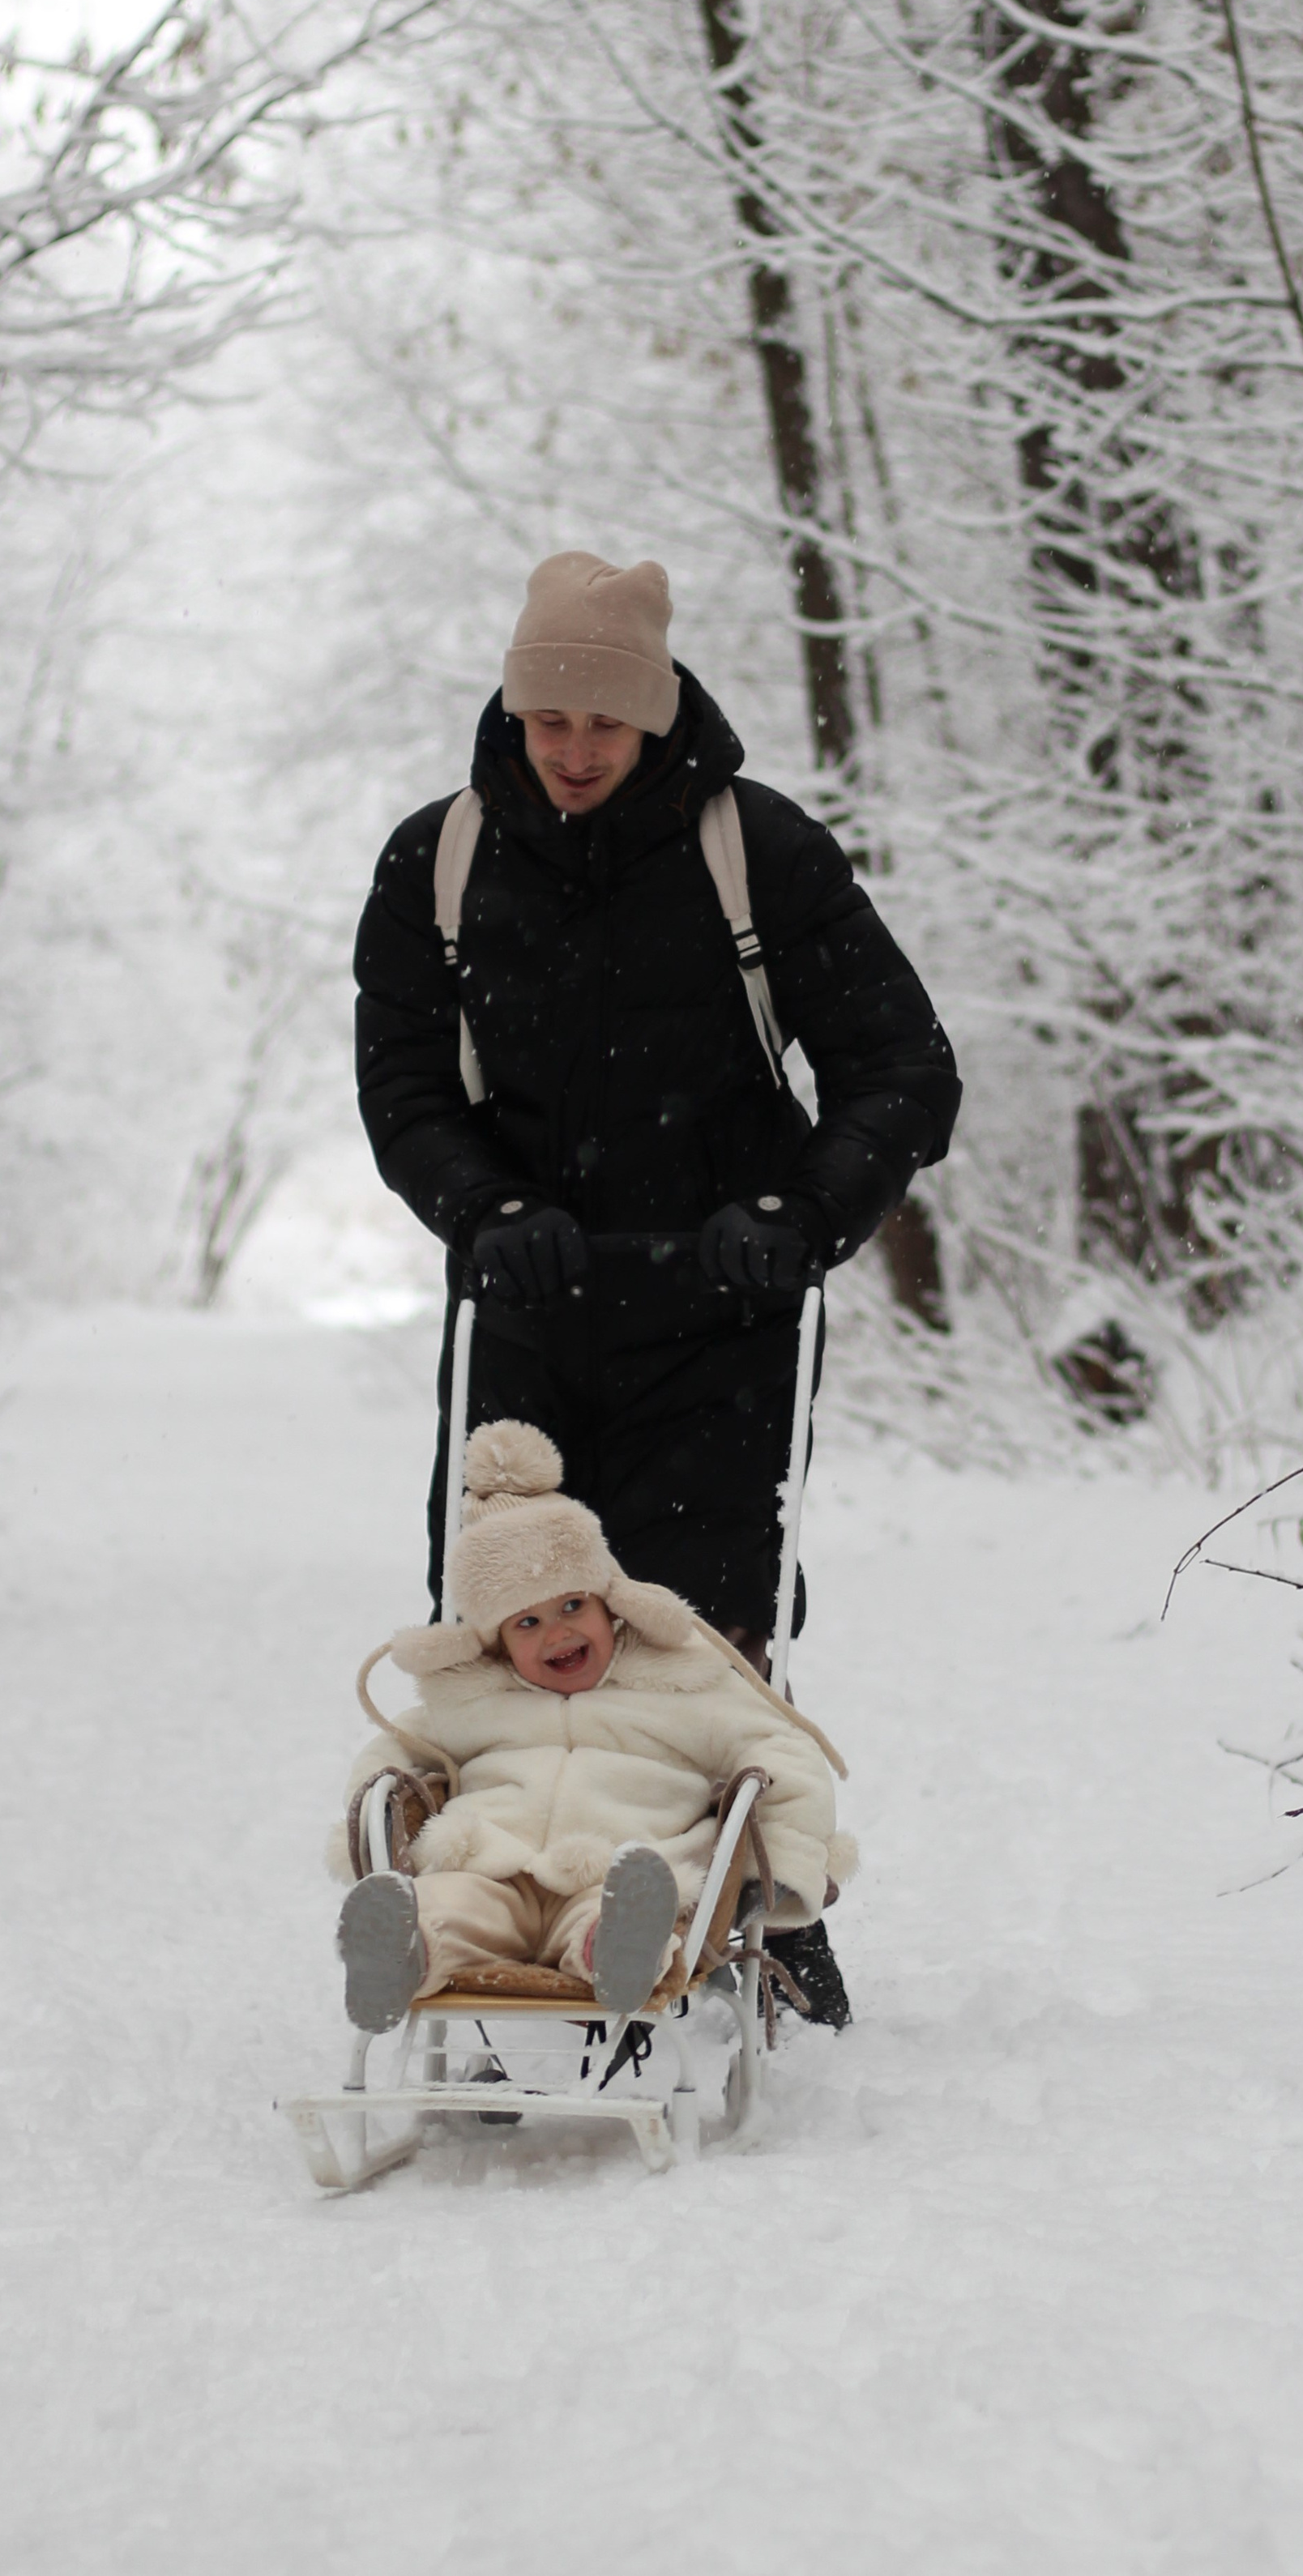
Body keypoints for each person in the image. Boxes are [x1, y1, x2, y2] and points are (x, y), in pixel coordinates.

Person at [354, 549, 959, 2028]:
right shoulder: (436, 858)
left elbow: (902, 1069)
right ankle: (475, 1926)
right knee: (512, 1623)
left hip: (722, 1304)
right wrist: (485, 1208)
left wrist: (798, 1211)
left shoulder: (759, 849)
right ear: (514, 709)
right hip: (528, 1299)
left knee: (699, 1624)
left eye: (603, 727)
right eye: (550, 721)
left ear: (657, 715)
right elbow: (404, 1086)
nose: (573, 752)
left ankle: (741, 1902)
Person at [335, 1421, 852, 2033]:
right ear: (495, 1643)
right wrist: (370, 1823)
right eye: (525, 1622)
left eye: (573, 1605)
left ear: (613, 1604)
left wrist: (788, 1857)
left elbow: (781, 1749)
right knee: (447, 1908)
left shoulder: (680, 1686)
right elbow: (388, 1754)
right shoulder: (471, 1700)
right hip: (490, 1868)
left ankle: (615, 1952)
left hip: (622, 1869)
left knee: (620, 1913)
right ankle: (402, 1952)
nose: (557, 1632)